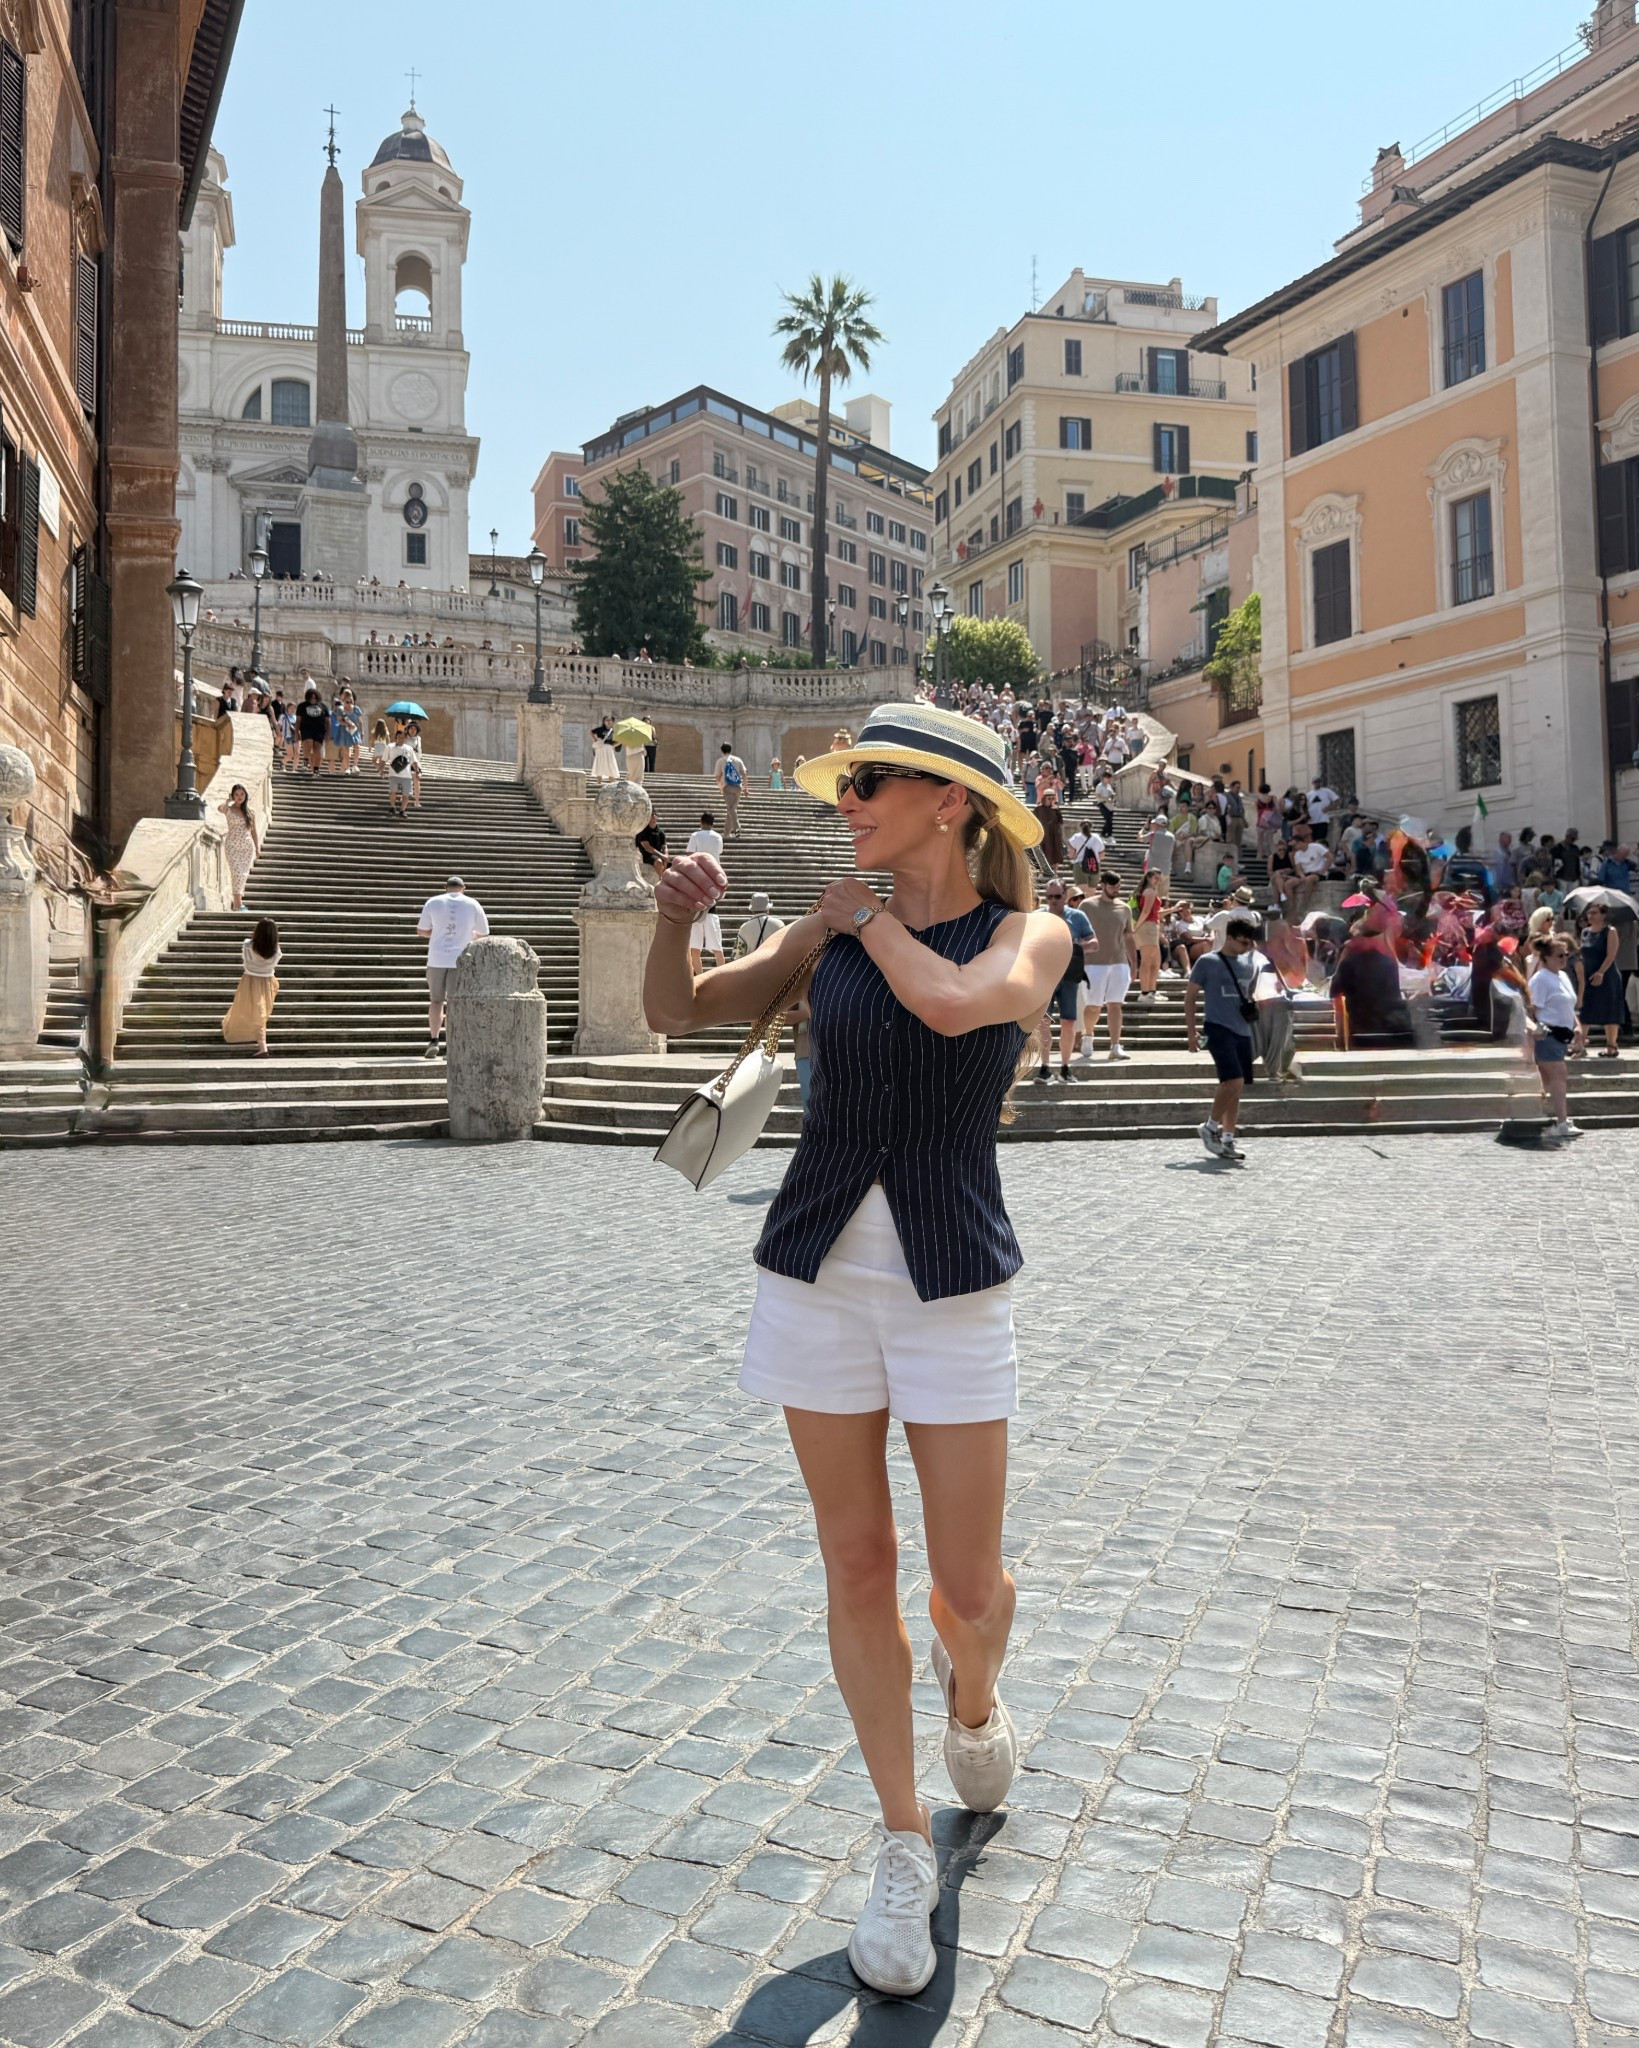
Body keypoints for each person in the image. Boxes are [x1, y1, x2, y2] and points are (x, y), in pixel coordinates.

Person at [642, 702, 1070, 2000]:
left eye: (870, 782)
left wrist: (854, 918)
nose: (848, 799)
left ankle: (976, 1704)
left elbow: (953, 1008)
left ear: (950, 803)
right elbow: (676, 1012)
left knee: (966, 1588)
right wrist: (674, 915)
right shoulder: (830, 925)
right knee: (854, 1558)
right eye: (846, 782)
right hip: (818, 1269)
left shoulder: (1026, 931)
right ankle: (898, 1839)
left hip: (952, 1279)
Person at [1185, 917, 1263, 1161]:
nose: (1246, 947)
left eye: (1249, 943)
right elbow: (1190, 997)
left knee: (1235, 1089)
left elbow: (1248, 993)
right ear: (1229, 938)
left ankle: (1228, 1139)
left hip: (1243, 1029)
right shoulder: (1207, 962)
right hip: (1217, 1027)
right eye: (1242, 942)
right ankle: (1209, 1127)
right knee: (1234, 1080)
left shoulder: (1249, 963)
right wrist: (1191, 1031)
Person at [417, 875, 490, 1059]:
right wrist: (469, 935)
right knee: (454, 1003)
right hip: (460, 959)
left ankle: (434, 1040)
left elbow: (421, 930)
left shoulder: (433, 902)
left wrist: (435, 933)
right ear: (463, 888)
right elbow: (484, 933)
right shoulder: (473, 904)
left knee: (436, 1002)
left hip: (436, 959)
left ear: (446, 887)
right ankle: (452, 1045)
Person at [1528, 934, 1585, 1143]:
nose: (1564, 959)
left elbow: (1568, 1007)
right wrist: (1534, 1034)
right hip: (1547, 1035)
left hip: (1563, 1036)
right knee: (1559, 1076)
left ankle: (1555, 1119)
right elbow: (1531, 1010)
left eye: (1566, 955)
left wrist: (1577, 1028)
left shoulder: (1562, 976)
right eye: (1559, 955)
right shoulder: (1540, 980)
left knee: (1552, 1079)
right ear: (1545, 958)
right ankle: (1562, 1122)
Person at [1035, 880, 1094, 1081]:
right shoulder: (1038, 917)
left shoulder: (1077, 917)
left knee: (1068, 1022)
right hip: (1045, 977)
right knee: (1043, 1022)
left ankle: (1065, 1067)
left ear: (1065, 895)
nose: (1053, 901)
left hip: (1070, 976)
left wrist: (1073, 948)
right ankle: (1045, 1067)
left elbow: (1093, 942)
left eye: (1057, 896)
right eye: (1049, 896)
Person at [1080, 870, 1136, 1061]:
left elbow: (1129, 937)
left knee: (1115, 1004)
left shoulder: (1124, 908)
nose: (1116, 890)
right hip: (1093, 964)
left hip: (1119, 963)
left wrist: (1134, 963)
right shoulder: (1087, 905)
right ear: (1102, 885)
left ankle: (1115, 1046)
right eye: (1112, 886)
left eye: (1118, 886)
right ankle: (1088, 1034)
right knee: (1094, 1006)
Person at [222, 917, 280, 1057]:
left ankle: (263, 1048)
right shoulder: (276, 951)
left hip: (249, 980)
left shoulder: (247, 946)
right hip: (267, 982)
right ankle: (262, 1045)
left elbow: (245, 961)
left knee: (250, 1010)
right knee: (261, 1013)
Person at [1576, 901, 1624, 1057]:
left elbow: (1611, 954)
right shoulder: (1585, 932)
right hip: (1588, 974)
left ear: (1603, 915)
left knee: (1610, 1009)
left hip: (1607, 975)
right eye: (1589, 913)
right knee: (1585, 1009)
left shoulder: (1610, 931)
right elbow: (1582, 953)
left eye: (1595, 912)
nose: (1591, 916)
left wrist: (1601, 972)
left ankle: (1611, 1046)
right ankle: (1580, 1044)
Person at [686, 812, 727, 973]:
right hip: (714, 881)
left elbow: (689, 855)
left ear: (701, 821)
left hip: (697, 883)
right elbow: (719, 853)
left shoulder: (696, 835)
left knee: (694, 948)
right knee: (717, 947)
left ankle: (698, 978)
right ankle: (722, 975)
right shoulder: (717, 837)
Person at [217, 782, 260, 912]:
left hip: (247, 847)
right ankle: (238, 904)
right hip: (232, 846)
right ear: (233, 796)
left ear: (246, 795)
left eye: (242, 794)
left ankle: (237, 904)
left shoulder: (250, 812)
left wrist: (257, 847)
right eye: (236, 794)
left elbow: (254, 831)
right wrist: (228, 801)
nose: (239, 796)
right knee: (236, 872)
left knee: (243, 874)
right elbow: (219, 808)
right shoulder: (228, 809)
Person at [1131, 869, 1167, 1001]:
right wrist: (1136, 927)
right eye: (1155, 878)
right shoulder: (1150, 892)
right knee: (1147, 961)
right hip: (1147, 927)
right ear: (1149, 878)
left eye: (1159, 878)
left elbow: (1153, 912)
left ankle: (1151, 990)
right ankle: (1145, 992)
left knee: (1155, 962)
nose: (1157, 881)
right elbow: (1146, 912)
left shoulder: (1148, 891)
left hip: (1151, 926)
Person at [735, 891, 785, 958]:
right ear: (768, 908)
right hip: (773, 964)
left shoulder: (744, 927)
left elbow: (739, 954)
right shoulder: (779, 924)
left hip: (752, 965)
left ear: (752, 910)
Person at [386, 723, 420, 818]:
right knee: (393, 791)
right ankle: (393, 807)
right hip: (394, 773)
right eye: (398, 737)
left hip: (407, 774)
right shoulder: (391, 747)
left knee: (407, 794)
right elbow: (385, 758)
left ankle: (402, 810)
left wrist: (417, 770)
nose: (400, 739)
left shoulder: (410, 747)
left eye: (402, 737)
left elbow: (414, 760)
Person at [717, 742, 749, 837]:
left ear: (722, 751)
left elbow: (717, 777)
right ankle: (726, 834)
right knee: (731, 809)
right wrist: (746, 788)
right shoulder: (738, 760)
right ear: (731, 750)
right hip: (738, 787)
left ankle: (737, 829)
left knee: (731, 809)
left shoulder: (721, 761)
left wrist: (720, 787)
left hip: (727, 787)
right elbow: (744, 774)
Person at [295, 686, 330, 774]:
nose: (313, 699)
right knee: (308, 743)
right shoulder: (302, 706)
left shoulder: (323, 707)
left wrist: (328, 734)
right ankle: (305, 761)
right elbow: (298, 720)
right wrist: (296, 732)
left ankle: (316, 769)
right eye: (311, 697)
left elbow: (328, 722)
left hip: (319, 730)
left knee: (317, 749)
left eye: (315, 697)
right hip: (306, 728)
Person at [331, 685, 364, 774]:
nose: (349, 703)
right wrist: (348, 723)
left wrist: (362, 731)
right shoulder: (340, 710)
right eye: (347, 701)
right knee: (346, 750)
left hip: (355, 730)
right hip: (345, 730)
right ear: (343, 701)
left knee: (357, 746)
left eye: (350, 701)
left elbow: (360, 721)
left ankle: (355, 765)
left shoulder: (356, 709)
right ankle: (347, 768)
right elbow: (339, 721)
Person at [636, 815, 668, 881]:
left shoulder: (660, 831)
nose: (654, 816)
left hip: (659, 855)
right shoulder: (643, 831)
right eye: (651, 815)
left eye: (654, 814)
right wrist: (662, 856)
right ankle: (661, 879)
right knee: (658, 861)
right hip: (647, 855)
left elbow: (664, 846)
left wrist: (666, 855)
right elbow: (647, 848)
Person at [589, 715, 620, 782]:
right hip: (601, 748)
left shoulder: (613, 731)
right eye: (607, 720)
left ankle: (612, 781)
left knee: (610, 764)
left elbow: (620, 741)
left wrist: (613, 746)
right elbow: (591, 732)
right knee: (599, 763)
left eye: (610, 720)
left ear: (612, 722)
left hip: (609, 748)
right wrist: (596, 740)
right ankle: (599, 782)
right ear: (604, 721)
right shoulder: (600, 729)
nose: (608, 722)